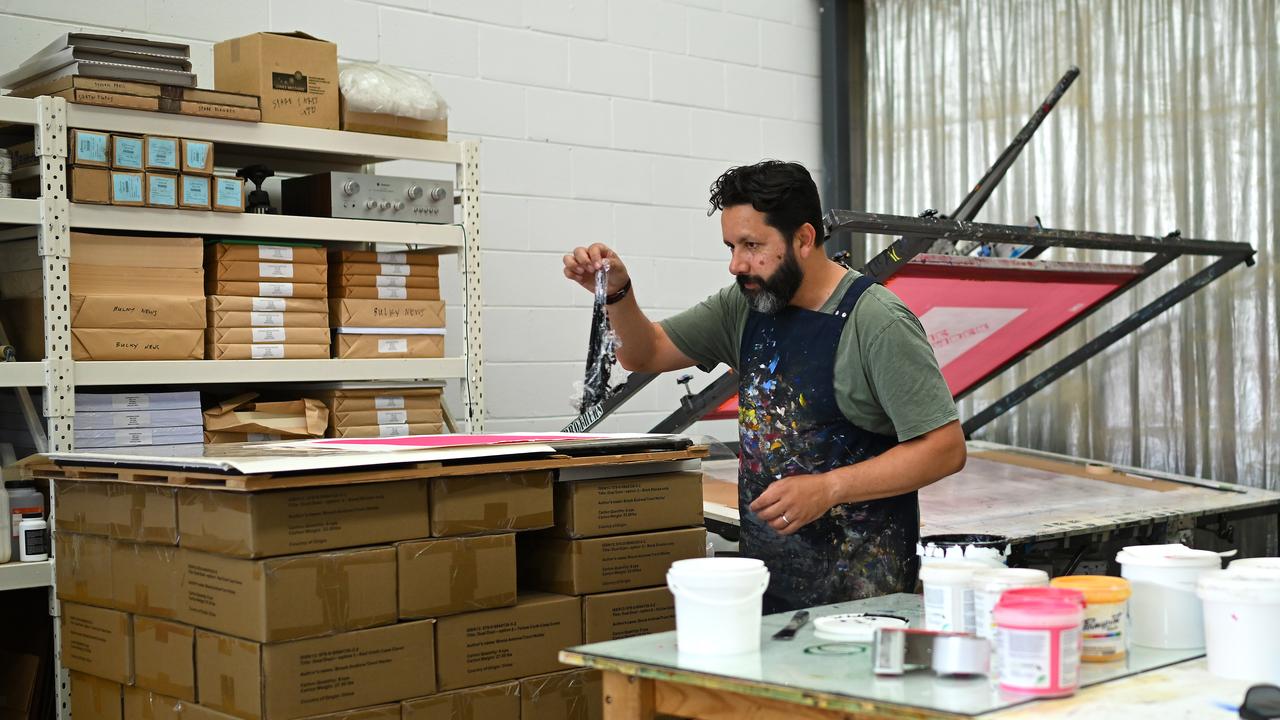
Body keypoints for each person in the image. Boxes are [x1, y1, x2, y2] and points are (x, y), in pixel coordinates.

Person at [563, 160, 966, 612]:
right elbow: (646, 353)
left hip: (863, 601)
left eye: (753, 245)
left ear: (805, 238)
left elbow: (944, 448)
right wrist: (619, 293)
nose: (737, 263)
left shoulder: (878, 322)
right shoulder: (745, 304)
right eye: (731, 245)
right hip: (770, 591)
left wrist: (829, 488)